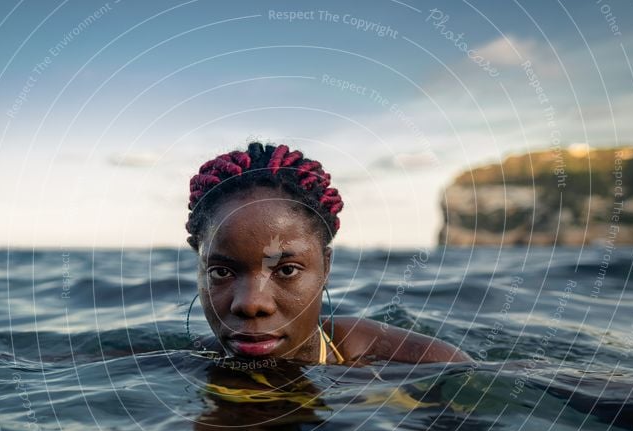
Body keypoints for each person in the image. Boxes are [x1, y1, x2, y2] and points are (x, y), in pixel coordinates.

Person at [184, 141, 470, 365]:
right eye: (221, 272)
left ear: (326, 267)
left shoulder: (417, 363)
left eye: (287, 270)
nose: (250, 304)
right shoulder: (179, 364)